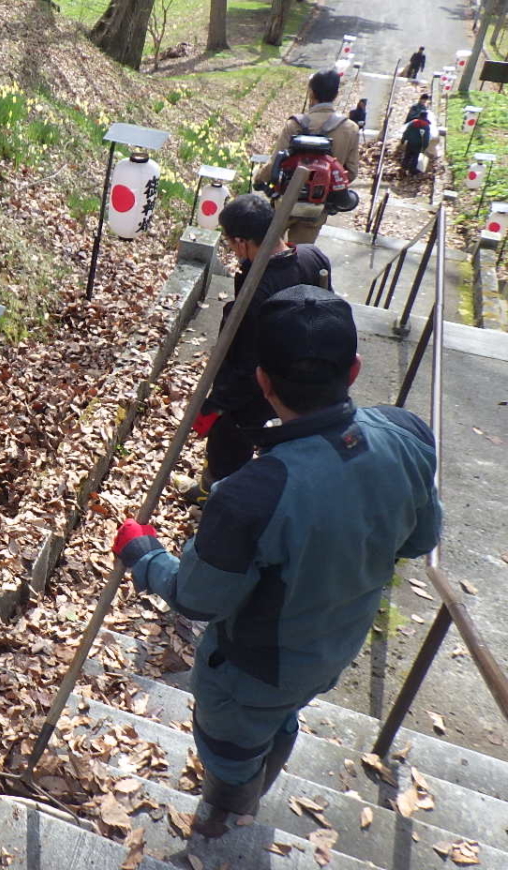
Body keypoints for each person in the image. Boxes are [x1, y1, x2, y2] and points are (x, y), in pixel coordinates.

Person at [114, 287, 441, 824]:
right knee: (282, 713)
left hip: (253, 671)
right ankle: (266, 754)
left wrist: (143, 554)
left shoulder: (250, 496)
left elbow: (197, 598)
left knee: (231, 750)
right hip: (333, 646)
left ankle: (227, 809)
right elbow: (417, 540)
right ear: (354, 370)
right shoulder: (407, 436)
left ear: (262, 381)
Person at [177, 194, 332, 504]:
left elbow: (247, 363)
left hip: (266, 382)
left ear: (242, 242)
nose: (232, 251)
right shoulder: (313, 257)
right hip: (306, 368)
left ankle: (215, 497)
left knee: (228, 437)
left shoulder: (257, 291)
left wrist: (216, 404)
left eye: (230, 243)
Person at [256, 68, 361, 245]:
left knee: (270, 249)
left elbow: (275, 163)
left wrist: (259, 179)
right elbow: (350, 172)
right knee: (301, 254)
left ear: (311, 93)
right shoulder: (350, 129)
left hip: (285, 201)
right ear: (335, 95)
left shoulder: (295, 125)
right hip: (318, 205)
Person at [400, 111, 431, 175]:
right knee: (415, 157)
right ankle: (412, 170)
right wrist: (424, 147)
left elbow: (406, 132)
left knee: (407, 156)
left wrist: (403, 140)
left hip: (410, 143)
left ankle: (403, 168)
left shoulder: (413, 123)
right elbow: (426, 138)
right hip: (418, 145)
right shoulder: (426, 126)